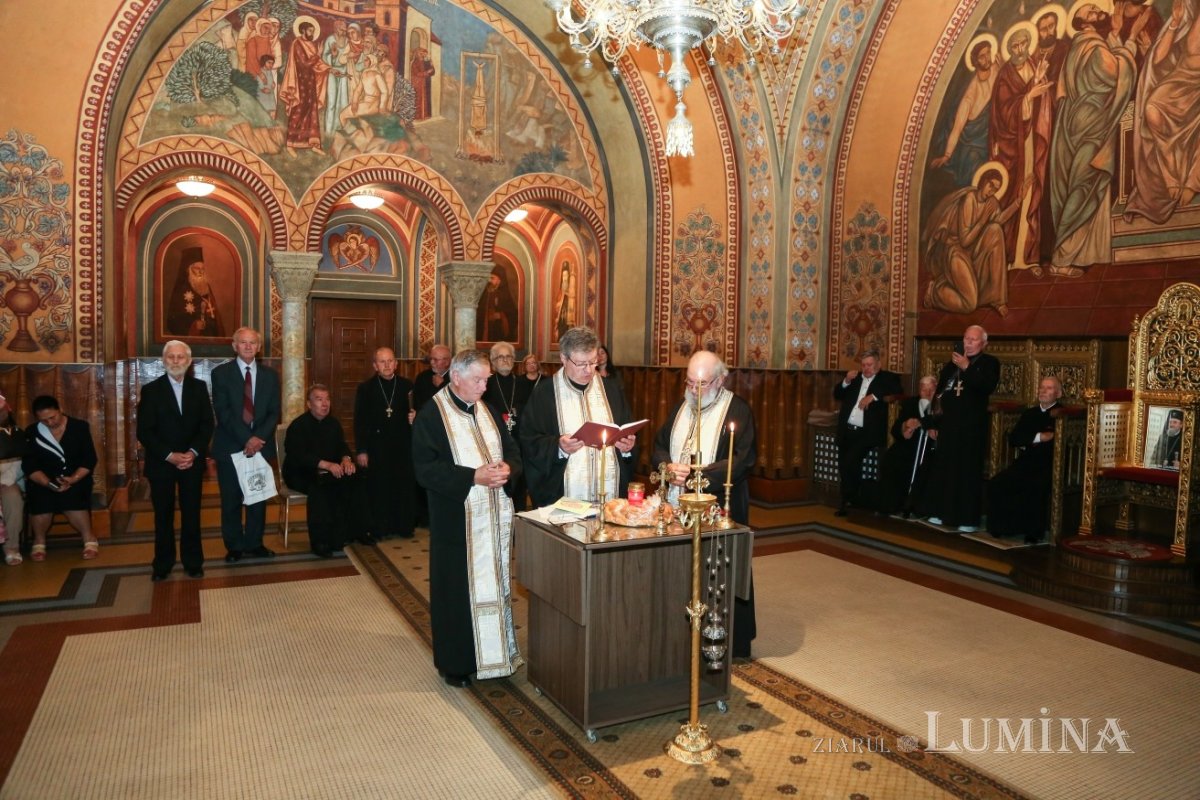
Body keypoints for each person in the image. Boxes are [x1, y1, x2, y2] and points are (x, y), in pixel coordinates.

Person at [412, 350, 523, 688]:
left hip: (493, 518)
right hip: (456, 521)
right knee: (456, 591)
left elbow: (512, 450)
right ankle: (456, 664)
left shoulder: (486, 409)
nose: (484, 386)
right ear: (456, 377)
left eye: (486, 379)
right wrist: (472, 477)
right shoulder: (432, 414)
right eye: (478, 380)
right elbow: (425, 469)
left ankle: (497, 656)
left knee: (497, 583)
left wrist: (509, 469)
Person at [651, 350, 758, 658]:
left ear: (721, 380)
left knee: (720, 574)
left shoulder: (737, 410)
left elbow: (743, 460)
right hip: (676, 505)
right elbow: (660, 445)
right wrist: (669, 468)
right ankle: (680, 634)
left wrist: (698, 474)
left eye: (702, 383)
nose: (694, 389)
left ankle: (726, 642)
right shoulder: (681, 408)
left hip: (719, 506)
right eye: (689, 381)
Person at [1049, 4, 1147, 275]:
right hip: (1089, 126)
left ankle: (1079, 253)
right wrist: (1130, 39)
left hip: (1079, 123)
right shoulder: (1090, 46)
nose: (1099, 11)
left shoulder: (1086, 46)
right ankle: (1061, 260)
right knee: (1085, 186)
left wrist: (1116, 35)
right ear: (1084, 23)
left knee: (1083, 186)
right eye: (1092, 11)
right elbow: (1115, 73)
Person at [519, 326, 637, 508]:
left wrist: (627, 448)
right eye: (581, 364)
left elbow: (626, 430)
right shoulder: (544, 394)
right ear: (564, 359)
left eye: (593, 362)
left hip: (609, 497)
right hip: (563, 496)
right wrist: (559, 447)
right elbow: (529, 441)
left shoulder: (611, 390)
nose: (589, 370)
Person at [136, 340, 215, 581]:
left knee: (192, 515)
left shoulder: (199, 388)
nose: (176, 361)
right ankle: (163, 564)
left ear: (189, 362)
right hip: (162, 465)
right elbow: (145, 431)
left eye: (181, 357)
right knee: (163, 516)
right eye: (171, 357)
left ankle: (193, 562)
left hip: (192, 463)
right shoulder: (151, 390)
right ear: (164, 360)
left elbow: (207, 425)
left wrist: (192, 452)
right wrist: (170, 455)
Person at [918, 325, 1001, 532]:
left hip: (971, 428)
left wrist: (967, 367)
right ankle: (940, 512)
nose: (969, 343)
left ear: (984, 343)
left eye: (973, 340)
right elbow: (940, 397)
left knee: (966, 473)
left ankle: (967, 519)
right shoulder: (950, 366)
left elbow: (986, 386)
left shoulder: (990, 363)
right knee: (944, 469)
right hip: (949, 426)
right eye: (966, 339)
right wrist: (933, 424)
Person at [1125, 0, 1200, 225]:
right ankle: (1169, 173)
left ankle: (1192, 182)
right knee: (1152, 109)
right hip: (1182, 78)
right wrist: (1175, 23)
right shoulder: (1187, 17)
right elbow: (1157, 59)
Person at [211, 327, 281, 563]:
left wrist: (257, 439)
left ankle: (254, 543)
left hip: (260, 447)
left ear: (259, 347)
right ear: (234, 346)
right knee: (231, 500)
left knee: (258, 498)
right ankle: (234, 546)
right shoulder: (221, 374)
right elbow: (224, 412)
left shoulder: (271, 375)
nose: (248, 346)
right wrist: (246, 439)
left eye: (253, 343)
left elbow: (274, 412)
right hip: (230, 446)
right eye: (243, 342)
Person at [923, 164, 1024, 316]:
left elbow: (999, 220)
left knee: (995, 231)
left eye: (996, 189)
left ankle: (997, 299)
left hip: (972, 251)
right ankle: (935, 291)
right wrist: (983, 219)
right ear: (983, 181)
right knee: (969, 304)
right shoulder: (969, 199)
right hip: (956, 251)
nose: (992, 191)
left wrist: (1018, 201)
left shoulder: (992, 202)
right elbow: (964, 241)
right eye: (991, 185)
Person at [284, 385, 371, 557]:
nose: (325, 404)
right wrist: (326, 465)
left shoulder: (333, 423)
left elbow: (341, 446)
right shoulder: (298, 426)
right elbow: (299, 456)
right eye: (319, 399)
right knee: (320, 487)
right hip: (300, 472)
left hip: (329, 471)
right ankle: (321, 541)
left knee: (357, 477)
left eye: (327, 399)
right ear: (309, 404)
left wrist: (346, 459)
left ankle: (356, 532)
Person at [22, 396, 100, 562]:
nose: (50, 423)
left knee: (73, 497)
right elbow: (30, 466)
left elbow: (89, 459)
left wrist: (73, 479)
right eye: (44, 420)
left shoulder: (79, 427)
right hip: (43, 481)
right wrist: (48, 483)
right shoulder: (32, 432)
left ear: (60, 410)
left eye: (52, 417)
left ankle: (89, 538)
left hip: (75, 478)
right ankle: (39, 541)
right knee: (40, 499)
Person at [987, 376, 1063, 542]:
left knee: (1035, 486)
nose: (1043, 391)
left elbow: (1054, 441)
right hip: (1024, 462)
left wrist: (1028, 440)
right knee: (997, 483)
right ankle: (1002, 527)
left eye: (1049, 388)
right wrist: (1038, 437)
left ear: (1058, 393)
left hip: (1049, 464)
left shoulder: (1061, 414)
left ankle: (1033, 533)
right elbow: (1014, 439)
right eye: (1041, 387)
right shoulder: (1030, 413)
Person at [354, 346, 416, 539]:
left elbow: (418, 412)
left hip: (403, 444)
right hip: (377, 446)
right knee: (380, 487)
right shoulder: (366, 388)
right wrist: (362, 450)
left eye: (390, 361)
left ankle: (403, 525)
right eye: (382, 362)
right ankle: (380, 526)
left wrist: (416, 416)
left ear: (396, 364)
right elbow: (360, 421)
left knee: (403, 486)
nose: (387, 365)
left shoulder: (407, 386)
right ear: (375, 365)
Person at [832, 349, 902, 516]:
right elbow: (838, 394)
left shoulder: (887, 378)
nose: (866, 368)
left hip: (867, 433)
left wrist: (874, 396)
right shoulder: (855, 379)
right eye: (863, 365)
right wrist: (846, 381)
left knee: (850, 462)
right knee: (844, 466)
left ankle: (853, 499)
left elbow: (897, 389)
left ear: (878, 364)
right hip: (847, 430)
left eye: (870, 365)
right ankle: (847, 500)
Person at [875, 375, 938, 517]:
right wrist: (905, 427)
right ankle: (891, 505)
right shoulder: (911, 403)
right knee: (891, 459)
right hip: (909, 444)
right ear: (919, 390)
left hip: (928, 448)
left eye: (931, 390)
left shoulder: (941, 406)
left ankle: (916, 506)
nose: (927, 394)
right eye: (924, 390)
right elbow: (895, 428)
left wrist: (925, 424)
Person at [280, 19, 330, 156]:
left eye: (313, 31)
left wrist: (329, 69)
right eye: (310, 31)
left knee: (312, 113)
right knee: (298, 112)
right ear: (303, 31)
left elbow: (317, 64)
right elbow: (305, 64)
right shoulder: (297, 44)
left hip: (310, 83)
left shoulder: (311, 45)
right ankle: (291, 143)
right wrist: (318, 55)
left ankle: (313, 143)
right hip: (300, 84)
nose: (312, 33)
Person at [166, 247, 224, 337]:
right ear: (189, 269)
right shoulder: (181, 289)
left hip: (211, 337)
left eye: (203, 268)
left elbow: (214, 314)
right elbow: (172, 321)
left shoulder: (206, 287)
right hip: (192, 340)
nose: (201, 271)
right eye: (197, 268)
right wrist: (193, 325)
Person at [1, 393, 27, 566]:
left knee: (12, 497)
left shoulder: (17, 433)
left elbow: (20, 462)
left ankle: (11, 548)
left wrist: (5, 481)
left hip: (9, 480)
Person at [475, 270, 517, 342]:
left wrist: (501, 315)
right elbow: (479, 310)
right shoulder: (485, 293)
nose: (489, 281)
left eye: (492, 278)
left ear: (499, 280)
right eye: (489, 278)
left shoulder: (505, 294)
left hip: (498, 329)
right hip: (486, 328)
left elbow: (513, 314)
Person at [412, 343, 451, 412]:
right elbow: (416, 403)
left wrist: (442, 385)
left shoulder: (456, 377)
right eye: (431, 359)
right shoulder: (422, 377)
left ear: (447, 362)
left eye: (435, 359)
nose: (432, 362)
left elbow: (454, 401)